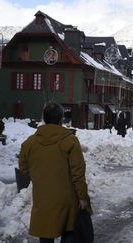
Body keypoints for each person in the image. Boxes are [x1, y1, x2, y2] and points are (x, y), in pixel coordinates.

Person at [18, 102, 92, 243]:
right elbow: (78, 172)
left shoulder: (30, 143)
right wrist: (82, 197)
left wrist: (38, 177)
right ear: (60, 119)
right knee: (69, 231)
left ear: (45, 119)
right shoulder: (70, 141)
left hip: (42, 198)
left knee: (45, 234)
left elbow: (23, 167)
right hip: (67, 200)